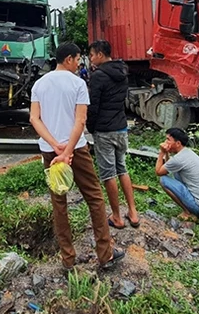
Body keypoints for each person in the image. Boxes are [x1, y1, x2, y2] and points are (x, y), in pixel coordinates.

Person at [30, 42, 125, 271]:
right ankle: (105, 254)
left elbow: (34, 119)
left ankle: (68, 259)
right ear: (70, 59)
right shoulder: (79, 83)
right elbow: (80, 121)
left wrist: (55, 147)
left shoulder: (39, 84)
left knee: (59, 203)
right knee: (94, 197)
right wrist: (68, 152)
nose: (80, 62)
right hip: (76, 150)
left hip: (50, 152)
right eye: (79, 58)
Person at [86, 40, 140, 229]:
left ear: (100, 54)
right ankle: (133, 212)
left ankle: (116, 216)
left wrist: (91, 127)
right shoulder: (122, 72)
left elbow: (93, 106)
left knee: (109, 174)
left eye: (92, 55)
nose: (91, 59)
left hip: (105, 131)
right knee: (122, 169)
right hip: (121, 128)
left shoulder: (99, 76)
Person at [155, 127, 199, 219]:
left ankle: (187, 212)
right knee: (176, 172)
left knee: (164, 180)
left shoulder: (179, 159)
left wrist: (161, 153)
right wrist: (167, 153)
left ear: (178, 143)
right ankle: (189, 206)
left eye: (168, 139)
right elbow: (170, 166)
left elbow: (159, 172)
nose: (165, 142)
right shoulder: (187, 153)